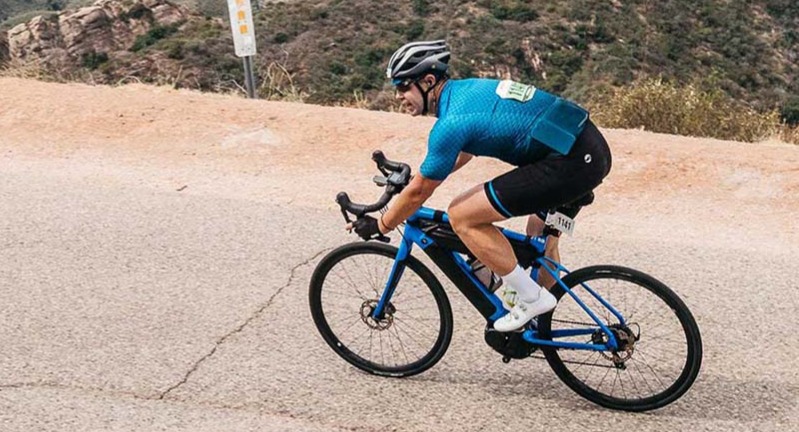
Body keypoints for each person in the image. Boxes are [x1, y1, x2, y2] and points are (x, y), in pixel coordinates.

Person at [348, 40, 612, 332]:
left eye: (403, 87)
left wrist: (381, 225)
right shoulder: (466, 91)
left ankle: (532, 298)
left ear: (428, 81)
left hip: (569, 162)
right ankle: (538, 327)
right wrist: (422, 178)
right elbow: (459, 154)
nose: (398, 96)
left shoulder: (450, 124)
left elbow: (421, 191)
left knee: (462, 215)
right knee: (538, 235)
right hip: (589, 147)